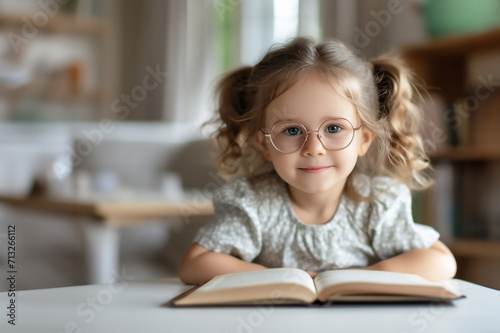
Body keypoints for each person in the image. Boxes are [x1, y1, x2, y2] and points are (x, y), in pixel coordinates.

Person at [178, 37, 457, 285]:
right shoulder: (252, 202)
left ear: (364, 140)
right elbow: (195, 264)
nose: (314, 148)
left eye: (334, 128)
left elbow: (442, 261)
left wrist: (362, 276)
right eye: (291, 130)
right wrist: (283, 278)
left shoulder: (378, 203)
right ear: (263, 144)